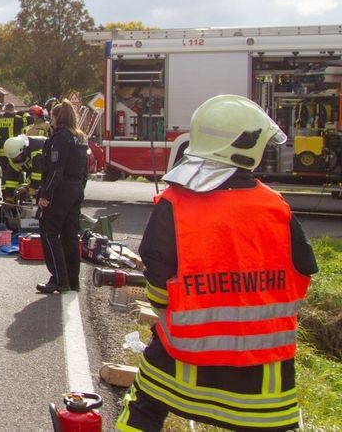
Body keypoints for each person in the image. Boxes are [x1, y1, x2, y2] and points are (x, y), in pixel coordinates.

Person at [116, 95, 317, 431]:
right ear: (248, 146)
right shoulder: (276, 208)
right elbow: (303, 271)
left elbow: (158, 273)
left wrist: (172, 306)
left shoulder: (175, 203)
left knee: (141, 412)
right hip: (264, 381)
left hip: (181, 361)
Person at [34, 100, 87, 294]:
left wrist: (46, 195)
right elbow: (85, 171)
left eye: (52, 117)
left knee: (49, 231)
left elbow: (56, 170)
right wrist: (79, 190)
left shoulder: (60, 139)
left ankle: (58, 278)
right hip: (76, 189)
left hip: (61, 190)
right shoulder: (80, 138)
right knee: (70, 236)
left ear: (57, 117)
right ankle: (73, 280)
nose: (51, 121)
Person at [0, 103, 26, 197]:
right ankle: (18, 194)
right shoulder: (18, 119)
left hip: (1, 152)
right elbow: (29, 119)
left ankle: (5, 194)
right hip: (15, 151)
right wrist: (21, 113)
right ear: (13, 110)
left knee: (4, 174)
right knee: (16, 172)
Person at [2, 133, 47, 202]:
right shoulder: (14, 156)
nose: (15, 161)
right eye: (13, 159)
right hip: (39, 172)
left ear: (23, 150)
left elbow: (38, 175)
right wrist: (9, 197)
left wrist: (29, 188)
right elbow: (11, 179)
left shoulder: (37, 152)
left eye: (17, 158)